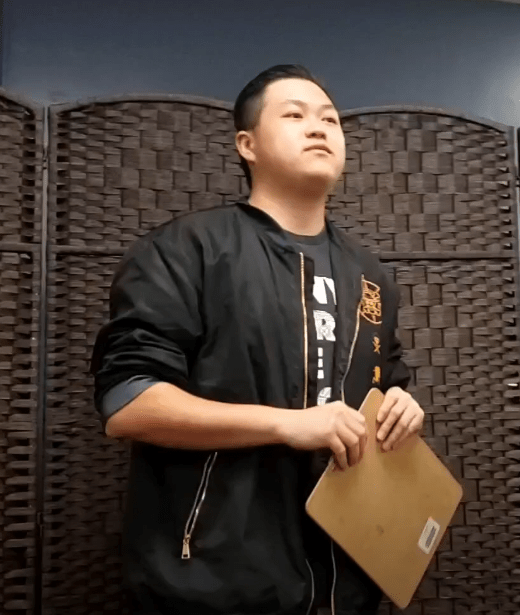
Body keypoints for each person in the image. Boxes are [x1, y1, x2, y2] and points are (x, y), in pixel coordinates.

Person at [90, 64, 425, 615]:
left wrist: (401, 406)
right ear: (247, 145)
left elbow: (387, 381)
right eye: (294, 115)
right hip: (213, 586)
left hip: (350, 585)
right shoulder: (187, 249)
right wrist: (284, 423)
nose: (318, 127)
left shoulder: (371, 276)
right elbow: (128, 404)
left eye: (330, 119)